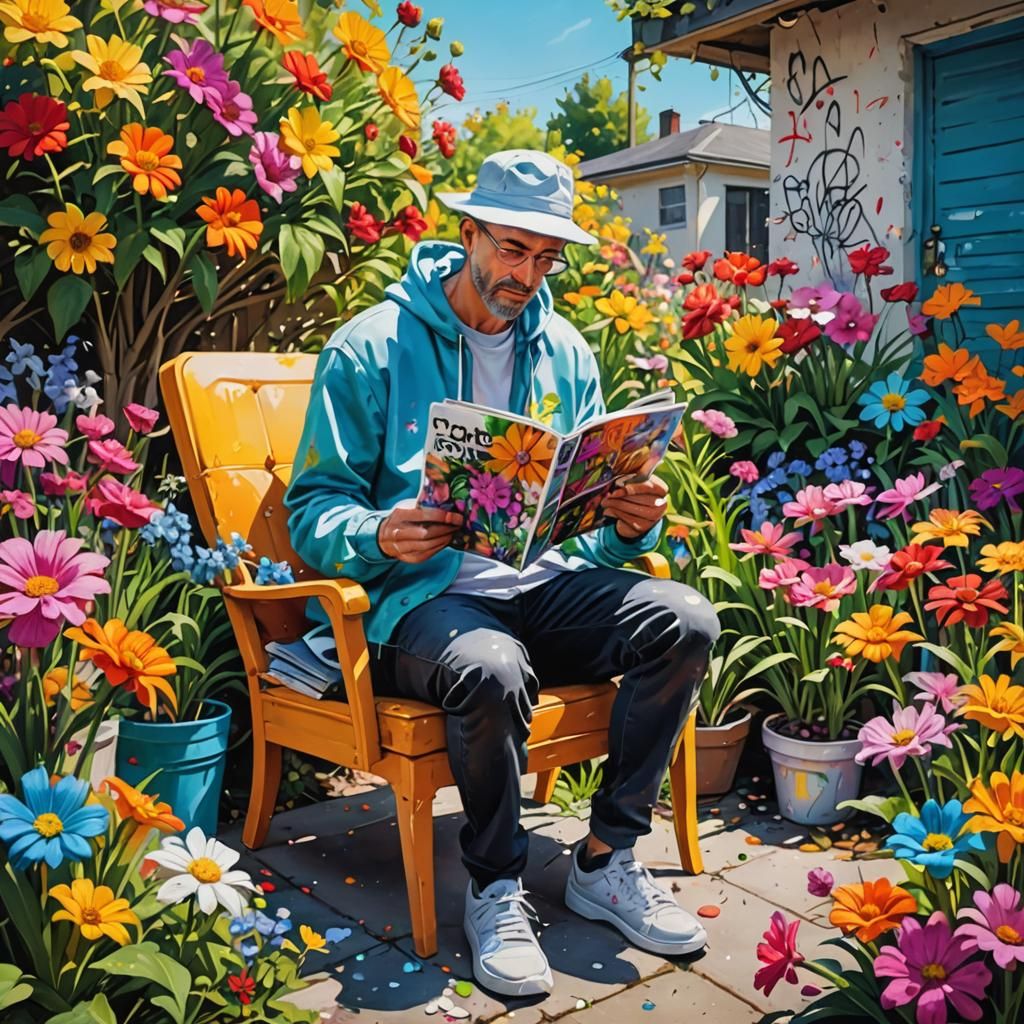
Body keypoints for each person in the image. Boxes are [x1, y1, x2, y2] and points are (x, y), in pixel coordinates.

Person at [284, 150, 720, 997]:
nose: (528, 275)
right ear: (468, 233)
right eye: (513, 250)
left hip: (541, 586)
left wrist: (630, 524)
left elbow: (582, 509)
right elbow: (314, 511)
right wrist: (380, 533)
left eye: (546, 258)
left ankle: (606, 859)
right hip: (424, 599)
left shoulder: (564, 349)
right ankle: (494, 885)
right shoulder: (370, 345)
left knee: (687, 619)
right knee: (490, 665)